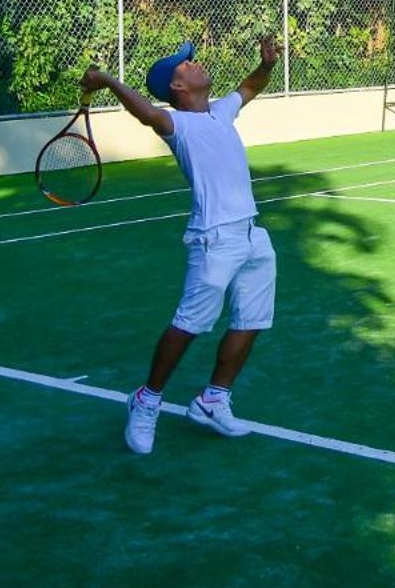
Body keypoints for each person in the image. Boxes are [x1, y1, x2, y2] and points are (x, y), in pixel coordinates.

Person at [81, 36, 280, 455]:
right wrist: (107, 80)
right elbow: (147, 113)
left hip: (251, 235)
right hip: (213, 239)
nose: (195, 64)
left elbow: (251, 86)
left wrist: (265, 65)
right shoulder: (178, 125)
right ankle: (146, 398)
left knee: (252, 320)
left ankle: (213, 399)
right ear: (177, 87)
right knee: (189, 324)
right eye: (186, 65)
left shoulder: (221, 112)